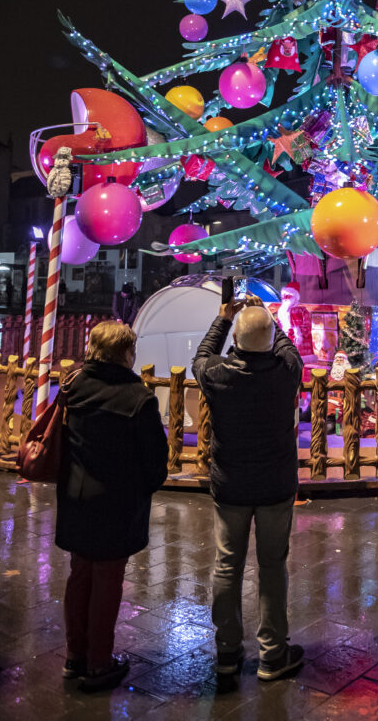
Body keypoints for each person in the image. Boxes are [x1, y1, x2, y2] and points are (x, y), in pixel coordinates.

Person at [192, 294, 304, 687]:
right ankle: (273, 654)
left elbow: (201, 356)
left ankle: (227, 650)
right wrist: (270, 316)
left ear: (235, 344)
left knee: (227, 564)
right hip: (275, 485)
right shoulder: (286, 373)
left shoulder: (218, 375)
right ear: (271, 340)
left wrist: (224, 320)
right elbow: (289, 347)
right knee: (273, 566)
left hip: (231, 485)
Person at [56, 321, 168, 693]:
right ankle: (99, 662)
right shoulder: (137, 397)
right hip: (116, 502)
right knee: (107, 580)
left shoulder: (74, 384)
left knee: (79, 575)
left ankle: (75, 656)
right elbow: (155, 459)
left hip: (76, 493)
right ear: (126, 353)